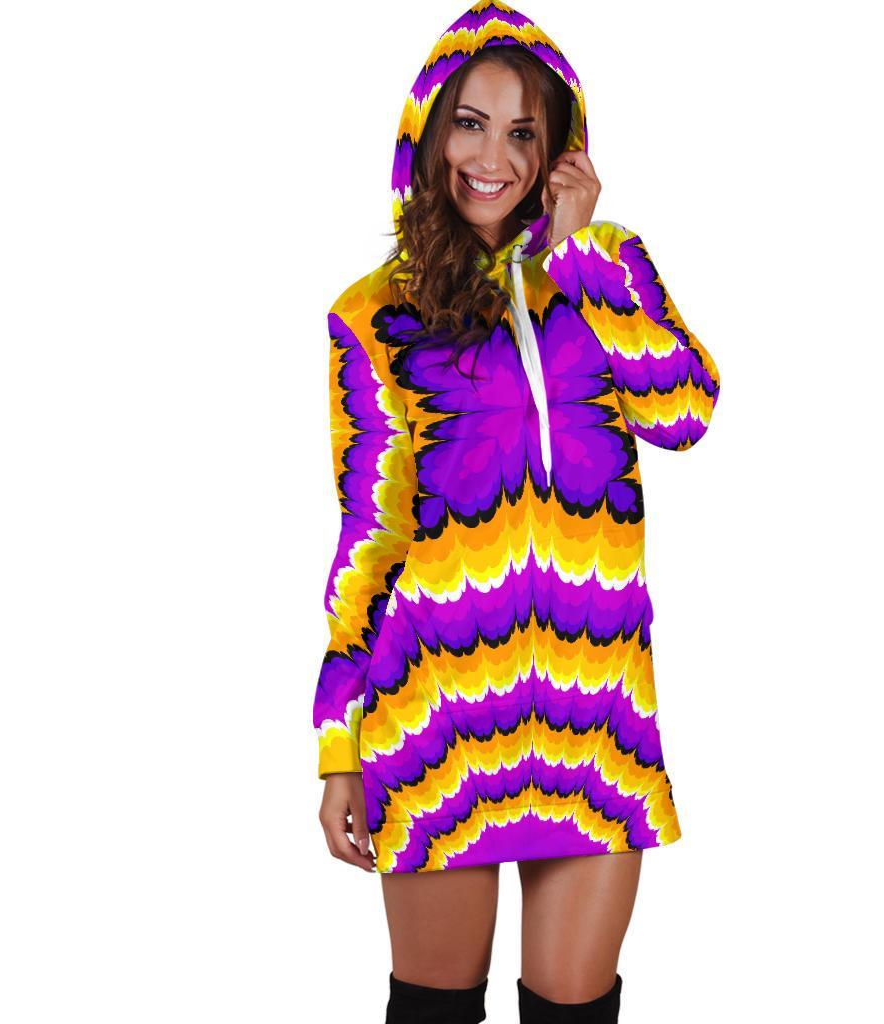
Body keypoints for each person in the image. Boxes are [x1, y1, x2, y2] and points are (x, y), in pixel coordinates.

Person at [313, 3, 721, 1021]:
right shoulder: (372, 315)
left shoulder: (606, 269)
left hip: (595, 718)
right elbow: (368, 537)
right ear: (427, 131)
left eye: (522, 132)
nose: (491, 157)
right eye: (469, 122)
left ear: (557, 151)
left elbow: (683, 414)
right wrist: (337, 741)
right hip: (437, 716)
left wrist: (579, 255)